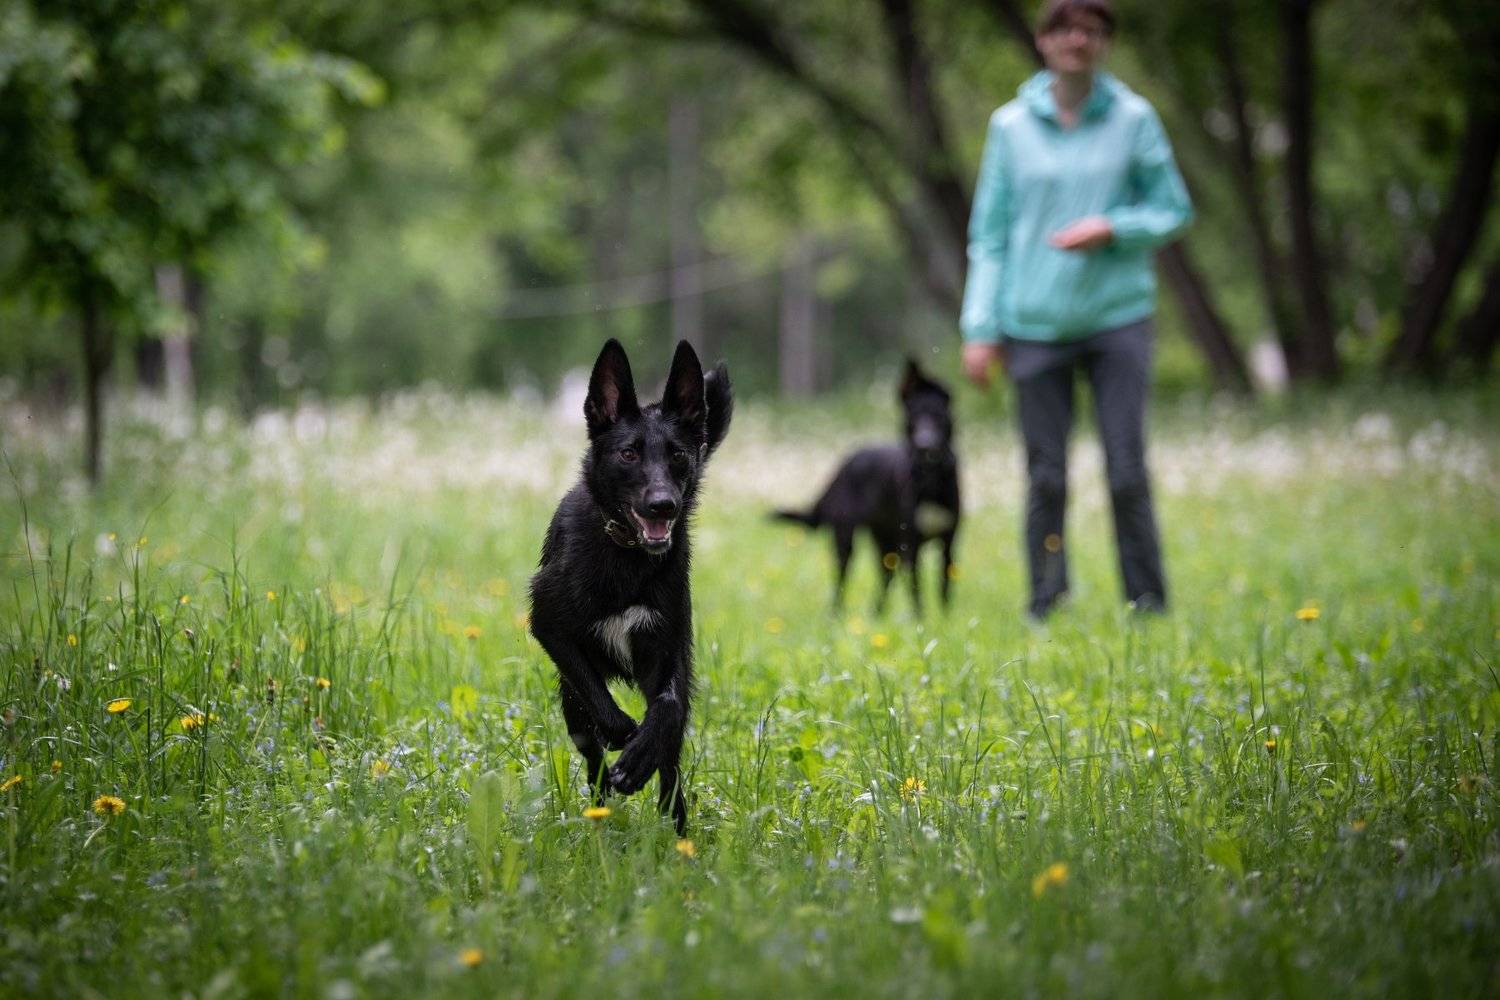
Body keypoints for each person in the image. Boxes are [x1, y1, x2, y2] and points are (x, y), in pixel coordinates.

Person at [959, 0, 1192, 621]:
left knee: (1126, 470)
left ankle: (1148, 604)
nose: (1077, 39)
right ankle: (1046, 603)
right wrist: (980, 327)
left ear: (1106, 42)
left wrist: (1113, 227)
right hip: (1032, 323)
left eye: (1092, 30)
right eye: (1064, 28)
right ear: (1043, 41)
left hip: (1118, 319)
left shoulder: (1134, 118)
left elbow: (1172, 209)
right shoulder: (1010, 126)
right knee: (1046, 475)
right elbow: (990, 235)